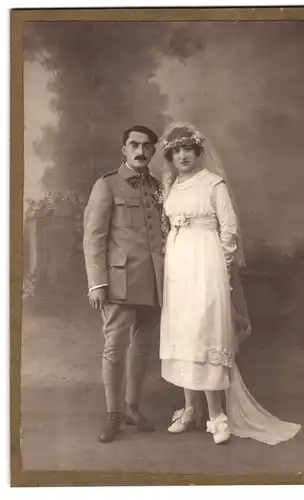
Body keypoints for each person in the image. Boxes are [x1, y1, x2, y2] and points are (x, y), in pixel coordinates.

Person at [159, 122, 301, 445]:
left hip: (206, 262)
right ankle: (189, 408)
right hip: (178, 265)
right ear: (171, 155)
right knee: (183, 332)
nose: (182, 156)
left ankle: (216, 415)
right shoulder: (170, 186)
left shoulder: (213, 183)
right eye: (176, 151)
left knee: (204, 331)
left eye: (187, 149)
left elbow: (229, 229)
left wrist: (218, 268)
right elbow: (168, 227)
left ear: (198, 152)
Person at [83, 125, 164, 443]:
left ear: (154, 151)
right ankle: (113, 413)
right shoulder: (107, 185)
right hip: (119, 283)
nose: (140, 150)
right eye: (134, 144)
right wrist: (96, 283)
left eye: (147, 146)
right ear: (124, 149)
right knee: (115, 348)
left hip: (154, 284)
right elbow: (93, 237)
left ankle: (132, 407)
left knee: (142, 349)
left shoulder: (156, 187)